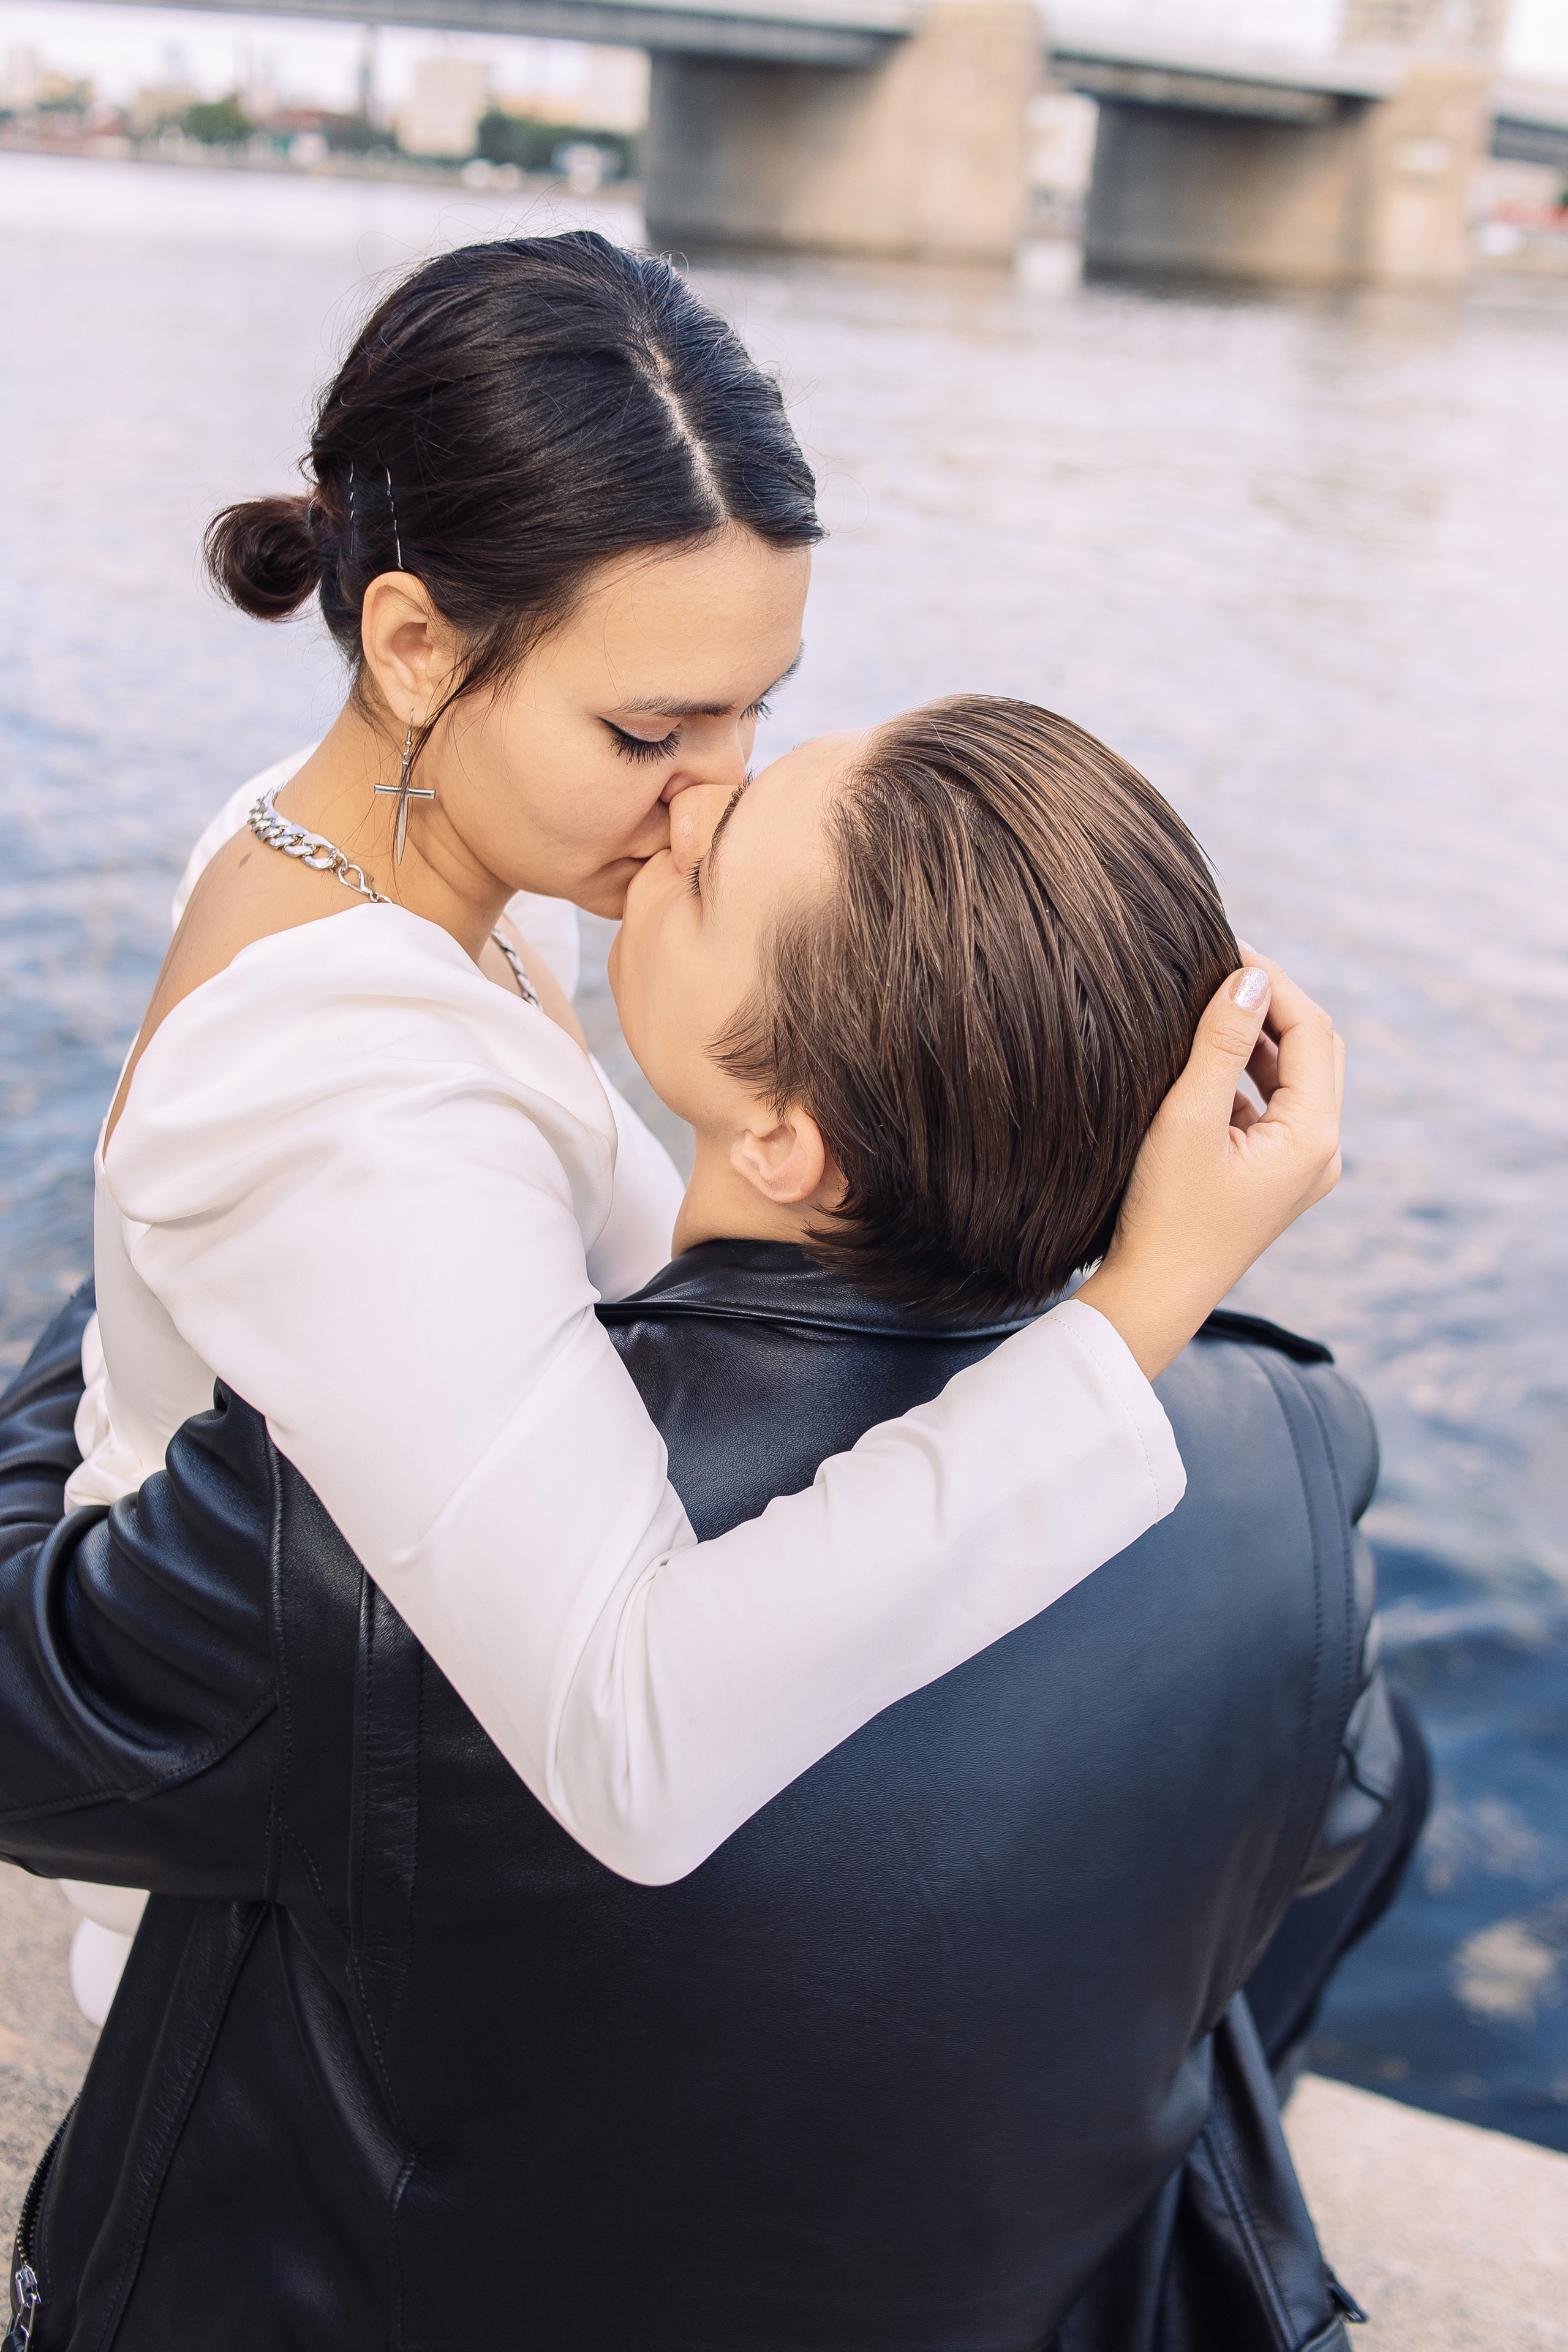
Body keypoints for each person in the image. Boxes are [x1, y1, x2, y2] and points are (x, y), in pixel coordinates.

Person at [0, 699, 1401, 2352]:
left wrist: (175, 1263)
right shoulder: (1288, 1446)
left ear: (789, 1139)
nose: (685, 807)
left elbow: (29, 1720)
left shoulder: (393, 1510)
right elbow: (1347, 1820)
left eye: (721, 851)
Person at [58, 228, 1341, 1909]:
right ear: (416, 644)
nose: (712, 793)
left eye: (756, 709)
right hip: (302, 1924)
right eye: (651, 733)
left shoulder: (397, 862)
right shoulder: (337, 1085)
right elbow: (636, 1740)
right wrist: (1145, 1301)